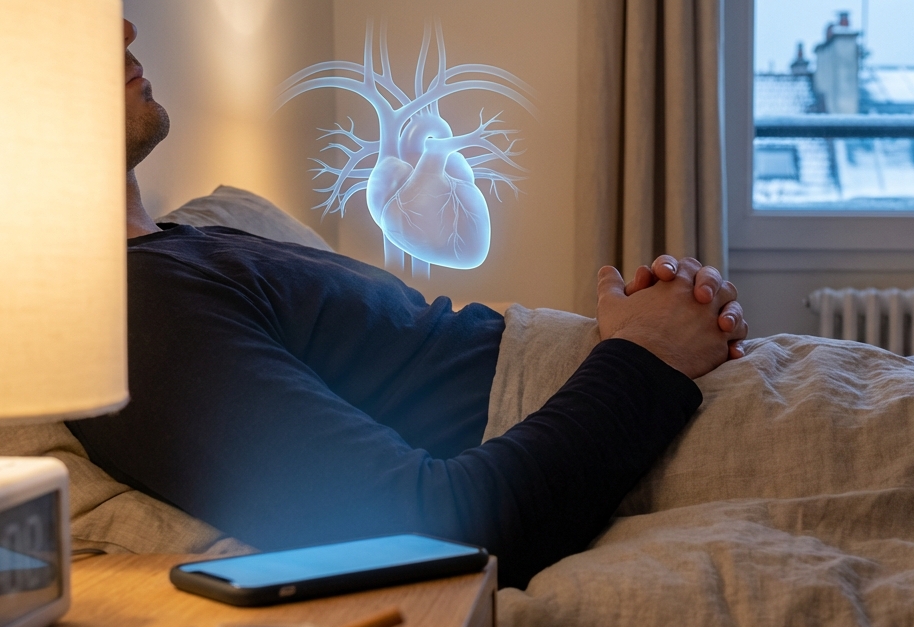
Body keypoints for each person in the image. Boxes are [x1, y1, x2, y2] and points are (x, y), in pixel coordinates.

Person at [69, 20, 749, 589]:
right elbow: (438, 527)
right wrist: (645, 354)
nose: (123, 28)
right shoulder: (132, 315)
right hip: (639, 427)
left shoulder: (191, 244)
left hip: (638, 394)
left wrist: (649, 327)